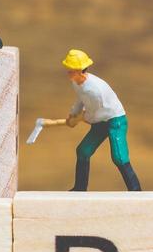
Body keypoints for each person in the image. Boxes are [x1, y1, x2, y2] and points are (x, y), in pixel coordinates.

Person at [33, 50, 142, 191]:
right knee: (83, 151)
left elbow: (96, 112)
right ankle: (80, 188)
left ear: (80, 71)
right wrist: (73, 114)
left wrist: (82, 118)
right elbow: (81, 100)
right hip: (99, 119)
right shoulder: (77, 83)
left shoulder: (95, 90)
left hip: (115, 120)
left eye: (71, 70)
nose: (68, 73)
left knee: (119, 157)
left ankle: (135, 190)